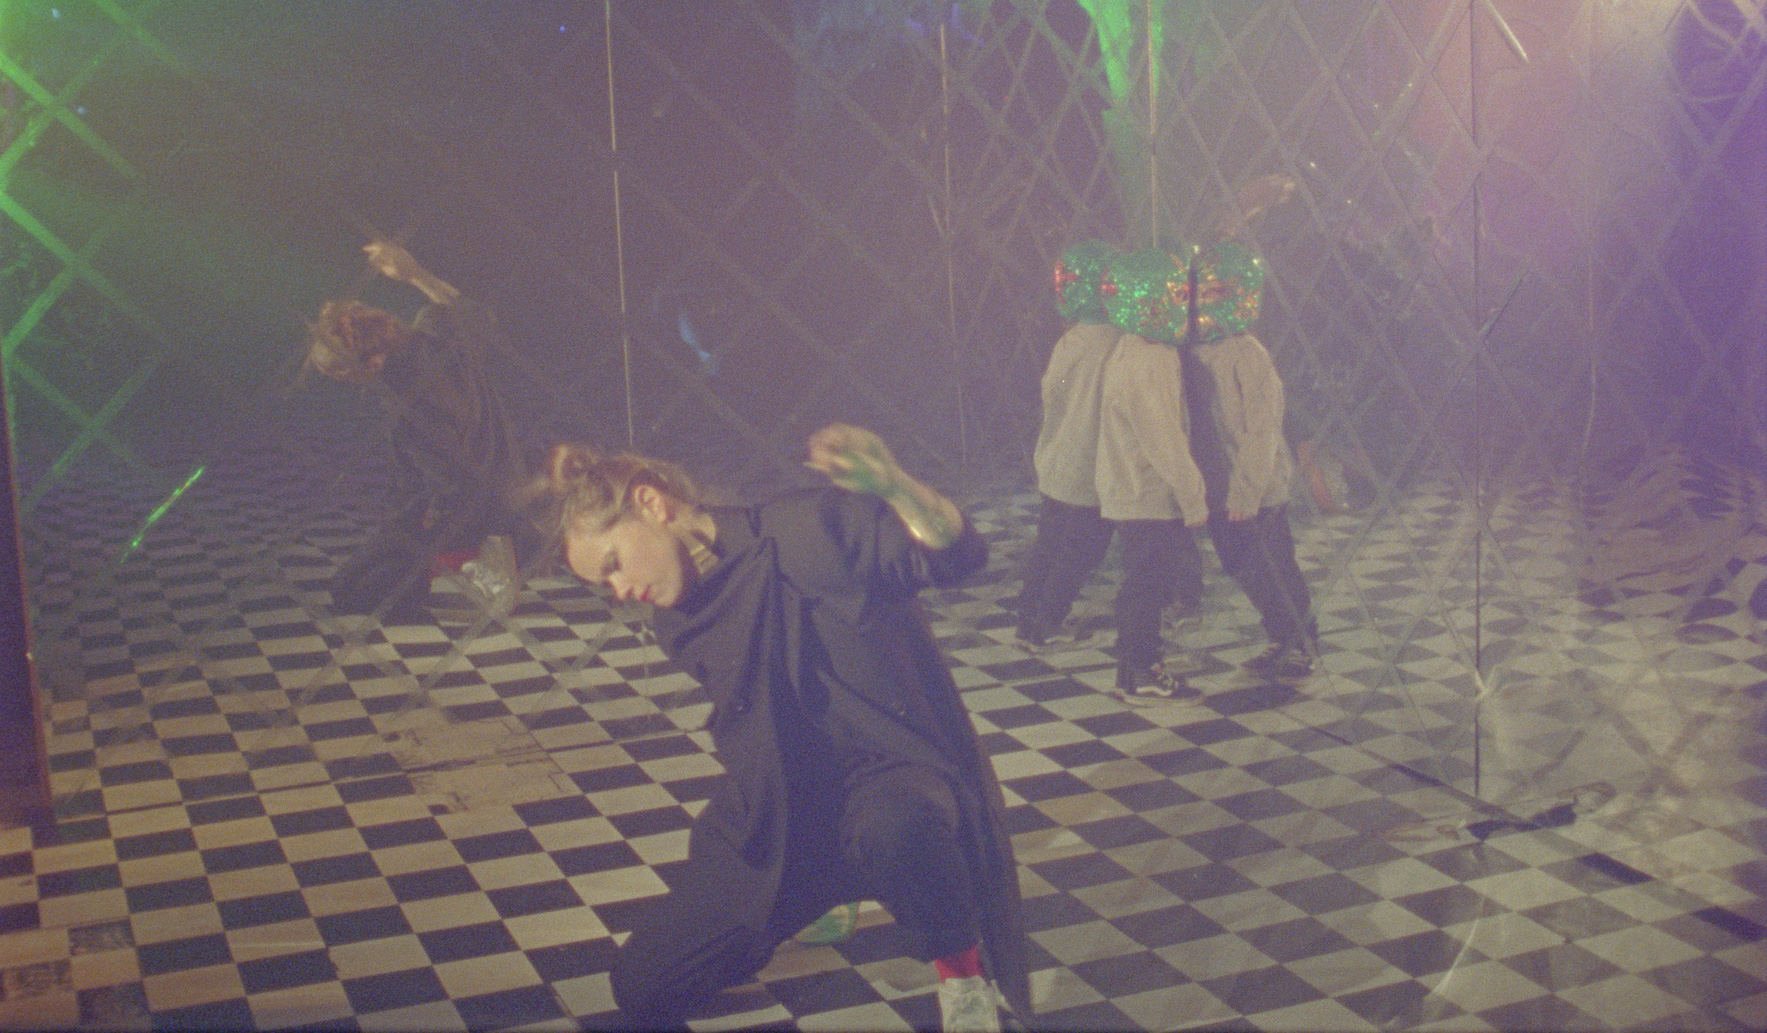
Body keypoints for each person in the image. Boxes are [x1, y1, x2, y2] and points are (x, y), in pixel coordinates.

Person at [521, 424, 1029, 1032]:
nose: (621, 590)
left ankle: (962, 975)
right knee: (641, 988)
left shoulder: (805, 528)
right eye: (604, 585)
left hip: (887, 774)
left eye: (613, 564)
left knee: (899, 829)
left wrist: (896, 487)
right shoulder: (678, 617)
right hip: (779, 806)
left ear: (652, 505)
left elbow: (956, 555)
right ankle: (815, 894)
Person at [305, 241, 528, 623]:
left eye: (341, 374)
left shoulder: (406, 402)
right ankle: (454, 553)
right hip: (502, 477)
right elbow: (466, 308)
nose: (343, 382)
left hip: (475, 506)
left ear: (371, 362)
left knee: (357, 595)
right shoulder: (433, 334)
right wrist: (414, 273)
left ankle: (485, 557)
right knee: (346, 587)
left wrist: (427, 539)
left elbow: (452, 480)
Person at [1181, 175, 1319, 679]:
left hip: (1255, 488)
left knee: (1274, 565)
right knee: (1242, 565)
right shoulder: (1199, 349)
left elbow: (1263, 430)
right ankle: (1281, 635)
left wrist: (1246, 488)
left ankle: (1300, 641)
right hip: (1224, 484)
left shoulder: (1248, 355)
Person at [1096, 247, 1209, 697]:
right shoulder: (1150, 360)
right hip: (1146, 491)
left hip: (1131, 487)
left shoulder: (1130, 347)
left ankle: (1138, 666)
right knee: (1146, 583)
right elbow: (1163, 438)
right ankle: (1140, 669)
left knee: (1144, 580)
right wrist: (1192, 496)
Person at [1014, 240, 1121, 649]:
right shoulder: (1117, 341)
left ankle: (1029, 618)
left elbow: (1051, 394)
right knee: (1081, 551)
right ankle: (1046, 623)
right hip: (1093, 463)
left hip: (1059, 457)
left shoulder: (1071, 340)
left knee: (1049, 543)